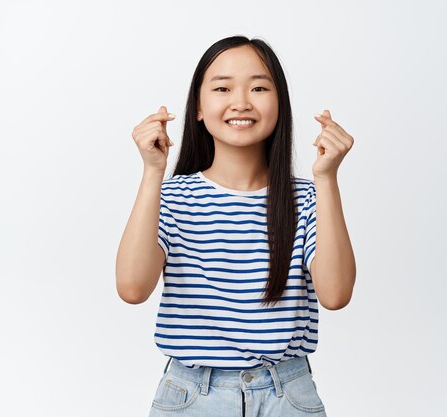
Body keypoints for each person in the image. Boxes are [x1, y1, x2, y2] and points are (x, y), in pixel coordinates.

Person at [116, 35, 356, 417]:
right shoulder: (171, 196)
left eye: (259, 87)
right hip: (192, 396)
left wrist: (327, 179)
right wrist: (152, 172)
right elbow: (131, 288)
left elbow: (336, 294)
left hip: (287, 395)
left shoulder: (308, 197)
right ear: (198, 106)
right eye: (223, 87)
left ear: (280, 105)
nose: (241, 102)